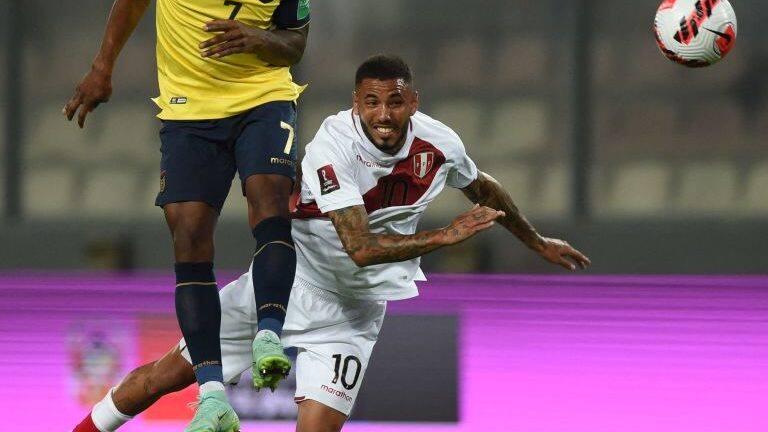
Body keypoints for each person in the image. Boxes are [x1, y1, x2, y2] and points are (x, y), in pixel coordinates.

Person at [71, 55, 591, 432]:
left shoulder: (440, 142)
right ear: (355, 104)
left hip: (355, 313)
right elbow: (359, 248)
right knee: (163, 379)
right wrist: (445, 235)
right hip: (287, 286)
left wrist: (537, 240)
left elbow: (482, 185)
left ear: (413, 101)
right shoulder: (331, 146)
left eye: (395, 101)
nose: (383, 114)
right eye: (372, 102)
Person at [64, 0, 327, 432]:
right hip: (188, 111)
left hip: (263, 97)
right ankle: (211, 394)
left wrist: (257, 39)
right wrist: (102, 68)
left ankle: (267, 337)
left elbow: (296, 42)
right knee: (188, 235)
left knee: (270, 199)